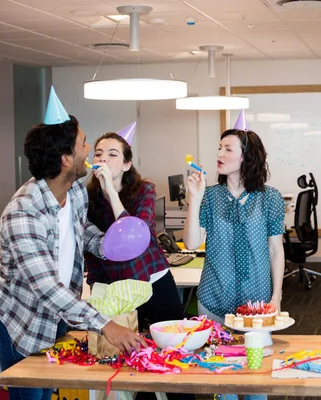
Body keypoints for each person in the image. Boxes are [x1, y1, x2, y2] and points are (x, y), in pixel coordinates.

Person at [0, 88, 144, 400]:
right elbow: (46, 290)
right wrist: (106, 326)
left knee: (49, 391)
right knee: (32, 396)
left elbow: (80, 233)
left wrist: (107, 245)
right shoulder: (23, 213)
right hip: (20, 317)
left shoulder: (76, 192)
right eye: (83, 144)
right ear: (67, 159)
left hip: (57, 312)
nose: (89, 150)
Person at [184, 125, 284, 400]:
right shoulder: (211, 196)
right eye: (219, 147)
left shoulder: (270, 198)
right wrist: (195, 198)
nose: (219, 153)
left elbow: (276, 251)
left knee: (256, 380)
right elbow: (191, 243)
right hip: (214, 296)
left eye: (227, 149)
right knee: (223, 380)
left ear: (247, 157)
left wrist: (277, 296)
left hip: (256, 302)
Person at [85, 129, 185, 331]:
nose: (103, 158)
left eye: (112, 154)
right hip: (114, 287)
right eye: (98, 153)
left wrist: (111, 192)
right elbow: (90, 249)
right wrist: (95, 287)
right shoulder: (87, 197)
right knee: (118, 355)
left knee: (173, 342)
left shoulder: (144, 190)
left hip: (151, 279)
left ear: (126, 165)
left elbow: (134, 236)